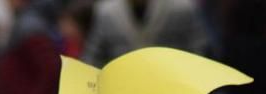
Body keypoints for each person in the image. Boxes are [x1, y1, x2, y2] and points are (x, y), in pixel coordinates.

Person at [82, 0, 210, 67]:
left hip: (173, 90)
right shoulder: (106, 11)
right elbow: (93, 58)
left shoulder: (181, 7)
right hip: (123, 92)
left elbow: (200, 52)